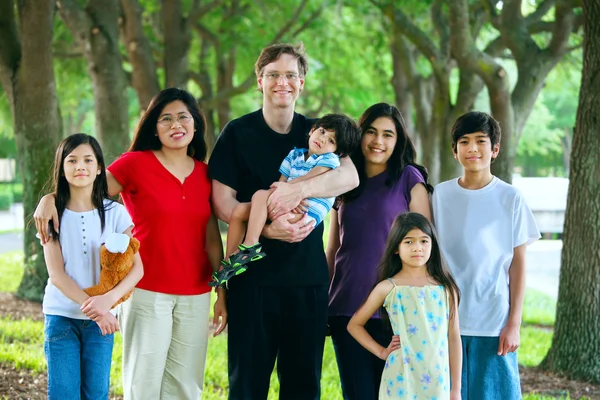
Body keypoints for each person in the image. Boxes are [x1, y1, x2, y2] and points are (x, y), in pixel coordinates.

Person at [34, 88, 227, 400]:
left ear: (196, 125)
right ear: (153, 126)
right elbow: (85, 190)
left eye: (183, 117)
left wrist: (221, 291)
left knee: (187, 386)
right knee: (144, 384)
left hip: (196, 292)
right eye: (166, 119)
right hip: (144, 290)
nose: (175, 124)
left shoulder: (206, 174)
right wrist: (48, 199)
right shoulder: (134, 164)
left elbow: (211, 238)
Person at [208, 42, 359, 399]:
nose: (282, 82)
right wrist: (266, 230)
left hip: (306, 284)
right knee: (247, 387)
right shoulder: (237, 133)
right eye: (273, 75)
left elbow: (349, 177)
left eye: (291, 75)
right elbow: (221, 201)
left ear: (302, 83)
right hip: (252, 282)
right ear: (259, 81)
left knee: (304, 387)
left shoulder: (320, 132)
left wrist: (296, 191)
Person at [326, 103, 432, 399]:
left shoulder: (409, 178)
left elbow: (425, 248)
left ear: (398, 141)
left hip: (396, 311)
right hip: (347, 308)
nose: (378, 141)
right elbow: (335, 247)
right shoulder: (344, 181)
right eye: (371, 132)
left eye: (388, 134)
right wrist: (324, 298)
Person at [432, 111, 540, 400]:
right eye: (464, 141)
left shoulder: (510, 198)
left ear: (495, 149)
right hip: (446, 318)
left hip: (493, 320)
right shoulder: (440, 196)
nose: (473, 148)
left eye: (481, 141)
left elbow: (518, 265)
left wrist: (514, 323)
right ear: (455, 151)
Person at [40, 134, 144, 400]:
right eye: (71, 160)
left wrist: (106, 303)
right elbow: (57, 275)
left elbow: (137, 269)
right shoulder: (52, 214)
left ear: (99, 168)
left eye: (88, 160)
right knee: (64, 394)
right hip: (61, 317)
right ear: (62, 169)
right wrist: (96, 308)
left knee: (96, 394)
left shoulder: (116, 213)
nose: (80, 166)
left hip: (102, 323)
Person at [211, 113, 360, 286]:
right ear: (312, 131)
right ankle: (231, 263)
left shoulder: (329, 159)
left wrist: (286, 190)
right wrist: (277, 195)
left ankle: (251, 244)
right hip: (286, 205)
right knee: (238, 212)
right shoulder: (294, 155)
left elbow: (310, 178)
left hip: (304, 213)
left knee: (260, 195)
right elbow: (281, 181)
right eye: (322, 131)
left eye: (332, 141)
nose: (323, 139)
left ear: (338, 151)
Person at [347, 212, 462, 400]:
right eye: (409, 242)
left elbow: (454, 338)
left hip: (437, 380)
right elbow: (354, 325)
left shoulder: (447, 289)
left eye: (424, 241)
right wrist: (382, 352)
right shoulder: (388, 288)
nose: (417, 248)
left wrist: (455, 389)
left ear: (432, 245)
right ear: (396, 248)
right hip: (400, 379)